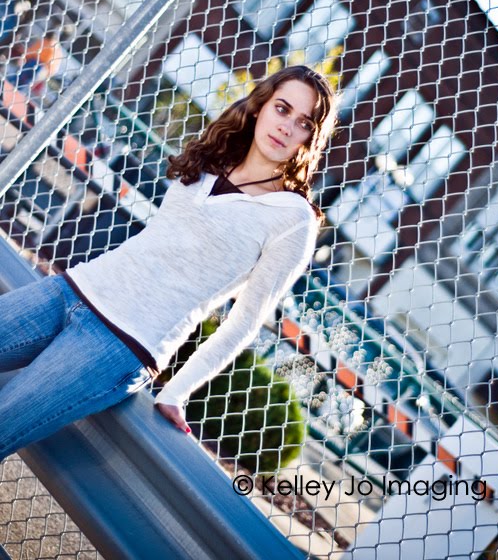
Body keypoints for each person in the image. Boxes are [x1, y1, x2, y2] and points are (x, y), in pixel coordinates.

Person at [0, 65, 337, 459]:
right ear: (261, 106)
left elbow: (245, 321)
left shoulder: (294, 219)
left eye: (304, 123)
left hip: (120, 345)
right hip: (72, 289)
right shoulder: (213, 157)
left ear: (310, 139)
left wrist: (177, 391)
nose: (286, 127)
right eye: (282, 109)